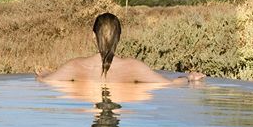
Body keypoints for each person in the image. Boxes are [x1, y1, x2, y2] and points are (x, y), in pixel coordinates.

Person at [38, 12, 204, 84]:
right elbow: (170, 84)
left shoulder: (75, 66)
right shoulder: (134, 68)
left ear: (93, 36)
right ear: (119, 37)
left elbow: (45, 81)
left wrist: (46, 73)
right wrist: (188, 77)